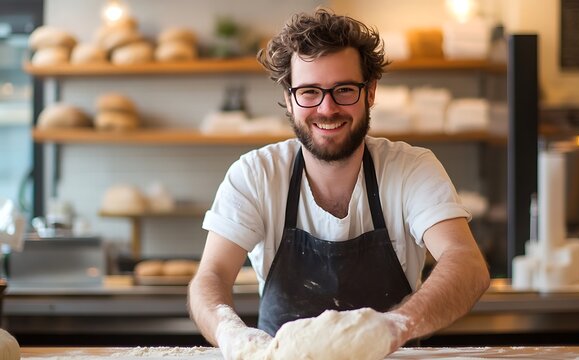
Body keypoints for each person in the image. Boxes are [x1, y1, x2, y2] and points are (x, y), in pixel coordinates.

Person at [188, 8, 490, 358]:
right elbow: (210, 276)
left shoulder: (411, 169)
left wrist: (396, 325)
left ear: (370, 91)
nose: (327, 108)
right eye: (309, 92)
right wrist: (233, 336)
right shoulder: (256, 174)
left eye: (343, 90)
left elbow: (466, 263)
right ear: (289, 98)